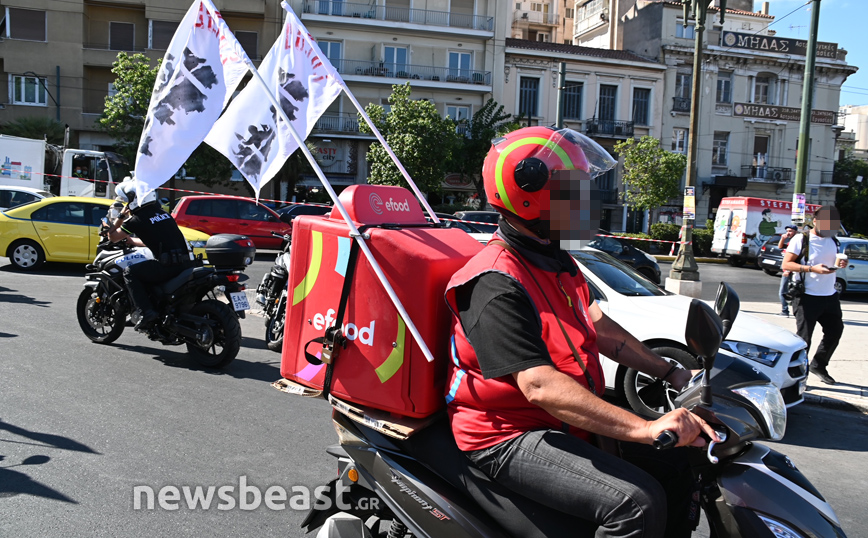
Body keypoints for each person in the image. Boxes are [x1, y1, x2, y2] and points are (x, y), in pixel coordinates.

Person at [444, 127, 718, 538]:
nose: (589, 201)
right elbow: (538, 385)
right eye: (575, 191)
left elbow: (599, 327)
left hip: (559, 418)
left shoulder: (556, 261)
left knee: (679, 463)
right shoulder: (493, 281)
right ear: (530, 197)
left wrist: (671, 372)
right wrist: (645, 428)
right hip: (508, 433)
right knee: (635, 504)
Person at [107, 179, 193, 331]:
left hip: (167, 267)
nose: (126, 204)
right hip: (186, 264)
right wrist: (133, 241)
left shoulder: (136, 220)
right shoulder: (163, 214)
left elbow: (112, 237)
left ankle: (146, 312)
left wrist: (120, 216)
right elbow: (153, 240)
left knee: (130, 272)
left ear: (134, 200)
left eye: (127, 201)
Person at [781, 206, 846, 385]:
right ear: (815, 221)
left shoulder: (834, 240)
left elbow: (831, 261)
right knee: (803, 339)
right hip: (806, 296)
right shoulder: (801, 239)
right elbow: (786, 264)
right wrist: (811, 269)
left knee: (835, 331)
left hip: (829, 295)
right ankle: (796, 377)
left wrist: (841, 263)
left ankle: (819, 365)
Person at [777, 224, 798, 316]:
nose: (788, 233)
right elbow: (780, 247)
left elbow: (795, 258)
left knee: (783, 292)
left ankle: (785, 311)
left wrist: (788, 271)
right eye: (787, 231)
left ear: (795, 232)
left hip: (789, 271)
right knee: (790, 291)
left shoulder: (796, 241)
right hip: (787, 269)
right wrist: (782, 238)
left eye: (790, 231)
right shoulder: (790, 242)